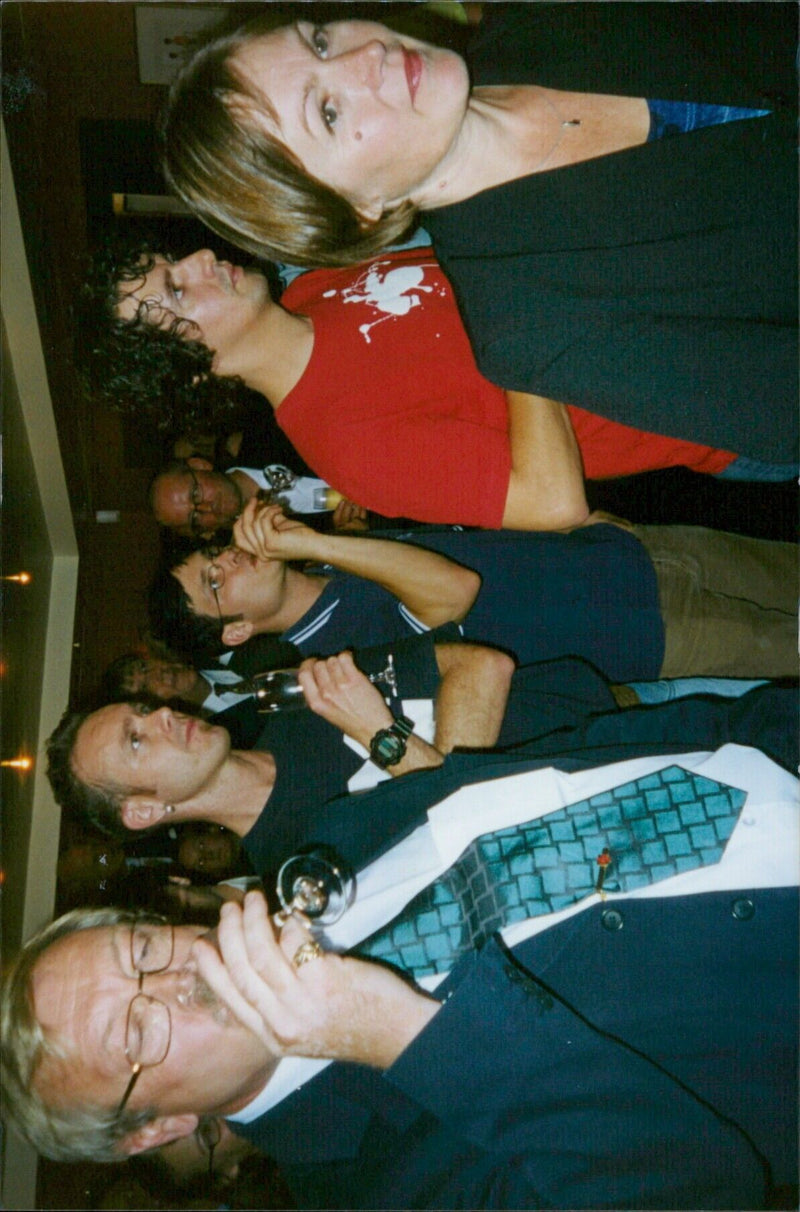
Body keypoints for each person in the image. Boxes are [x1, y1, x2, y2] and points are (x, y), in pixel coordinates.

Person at [4, 690, 797, 1207]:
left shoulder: (330, 843)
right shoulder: (379, 1189)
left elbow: (569, 757)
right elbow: (700, 1189)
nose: (177, 977)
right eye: (136, 1031)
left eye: (142, 949)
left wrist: (756, 727)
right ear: (155, 1129)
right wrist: (407, 1037)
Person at [161, 4, 798, 471]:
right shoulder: (529, 325)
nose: (367, 57)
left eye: (320, 40)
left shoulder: (530, 21)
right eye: (328, 112)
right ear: (356, 210)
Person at [80, 238, 790, 535]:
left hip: (708, 292)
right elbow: (553, 503)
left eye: (174, 261)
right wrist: (520, 342)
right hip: (728, 405)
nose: (201, 257)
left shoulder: (319, 286)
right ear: (193, 367)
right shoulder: (347, 446)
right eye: (178, 288)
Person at [46, 631, 528, 885]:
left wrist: (440, 785)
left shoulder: (297, 700)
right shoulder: (305, 866)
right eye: (137, 740)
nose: (164, 716)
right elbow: (490, 846)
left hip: (592, 707)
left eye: (146, 710)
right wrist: (379, 733)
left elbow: (483, 664)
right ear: (144, 810)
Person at [148, 499, 798, 684]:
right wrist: (309, 542)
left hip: (626, 554)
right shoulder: (345, 658)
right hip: (640, 631)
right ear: (233, 630)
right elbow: (453, 589)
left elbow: (469, 536)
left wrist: (572, 524)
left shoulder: (338, 562)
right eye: (215, 581)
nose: (228, 559)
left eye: (213, 555)